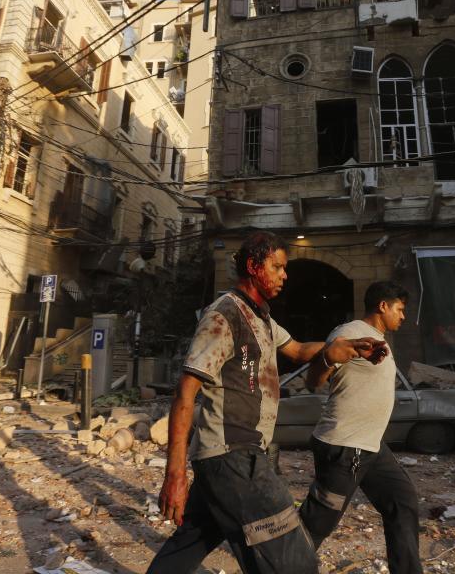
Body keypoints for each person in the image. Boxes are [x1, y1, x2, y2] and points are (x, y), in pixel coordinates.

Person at [147, 231, 379, 574]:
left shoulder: (261, 318)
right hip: (232, 455)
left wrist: (345, 347)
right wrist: (175, 474)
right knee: (291, 557)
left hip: (233, 457)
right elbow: (185, 393)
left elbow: (298, 350)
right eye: (277, 267)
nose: (285, 275)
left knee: (191, 542)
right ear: (255, 267)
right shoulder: (223, 316)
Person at [299, 281, 422, 574]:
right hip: (344, 447)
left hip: (370, 446)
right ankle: (276, 565)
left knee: (402, 501)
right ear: (383, 306)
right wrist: (329, 356)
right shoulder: (350, 333)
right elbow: (313, 380)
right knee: (316, 524)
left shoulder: (377, 338)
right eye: (400, 309)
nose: (403, 317)